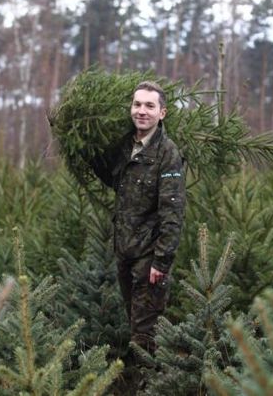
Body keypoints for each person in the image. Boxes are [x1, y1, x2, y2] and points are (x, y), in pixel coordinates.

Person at [91, 80, 186, 354]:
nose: (141, 111)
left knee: (145, 334)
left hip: (149, 257)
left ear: (162, 113)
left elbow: (173, 211)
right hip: (125, 251)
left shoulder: (167, 153)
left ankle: (149, 383)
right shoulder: (124, 147)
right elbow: (113, 181)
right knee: (134, 320)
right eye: (137, 104)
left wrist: (161, 261)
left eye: (149, 105)